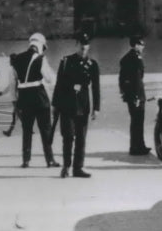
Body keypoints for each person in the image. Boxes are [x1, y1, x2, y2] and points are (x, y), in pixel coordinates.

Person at [52, 33, 100, 178]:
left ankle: (78, 168)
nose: (84, 47)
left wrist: (96, 108)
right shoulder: (66, 61)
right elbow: (59, 84)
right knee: (68, 137)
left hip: (83, 105)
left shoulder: (93, 65)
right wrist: (55, 104)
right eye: (81, 44)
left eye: (86, 45)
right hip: (67, 105)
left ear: (89, 46)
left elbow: (96, 87)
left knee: (81, 138)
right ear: (77, 45)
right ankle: (66, 166)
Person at [9, 32, 59, 168]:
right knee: (45, 130)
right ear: (40, 45)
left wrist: (15, 103)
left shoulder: (16, 60)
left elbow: (12, 84)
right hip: (39, 97)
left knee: (27, 130)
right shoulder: (41, 58)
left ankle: (26, 160)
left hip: (24, 99)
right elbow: (51, 79)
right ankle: (50, 160)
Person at [118, 36, 149, 155]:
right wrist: (136, 97)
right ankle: (137, 147)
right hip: (137, 95)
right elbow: (136, 79)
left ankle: (137, 145)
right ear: (135, 45)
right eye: (141, 45)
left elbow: (121, 78)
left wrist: (123, 91)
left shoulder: (126, 58)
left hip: (131, 94)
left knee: (136, 121)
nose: (143, 47)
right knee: (138, 121)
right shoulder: (135, 58)